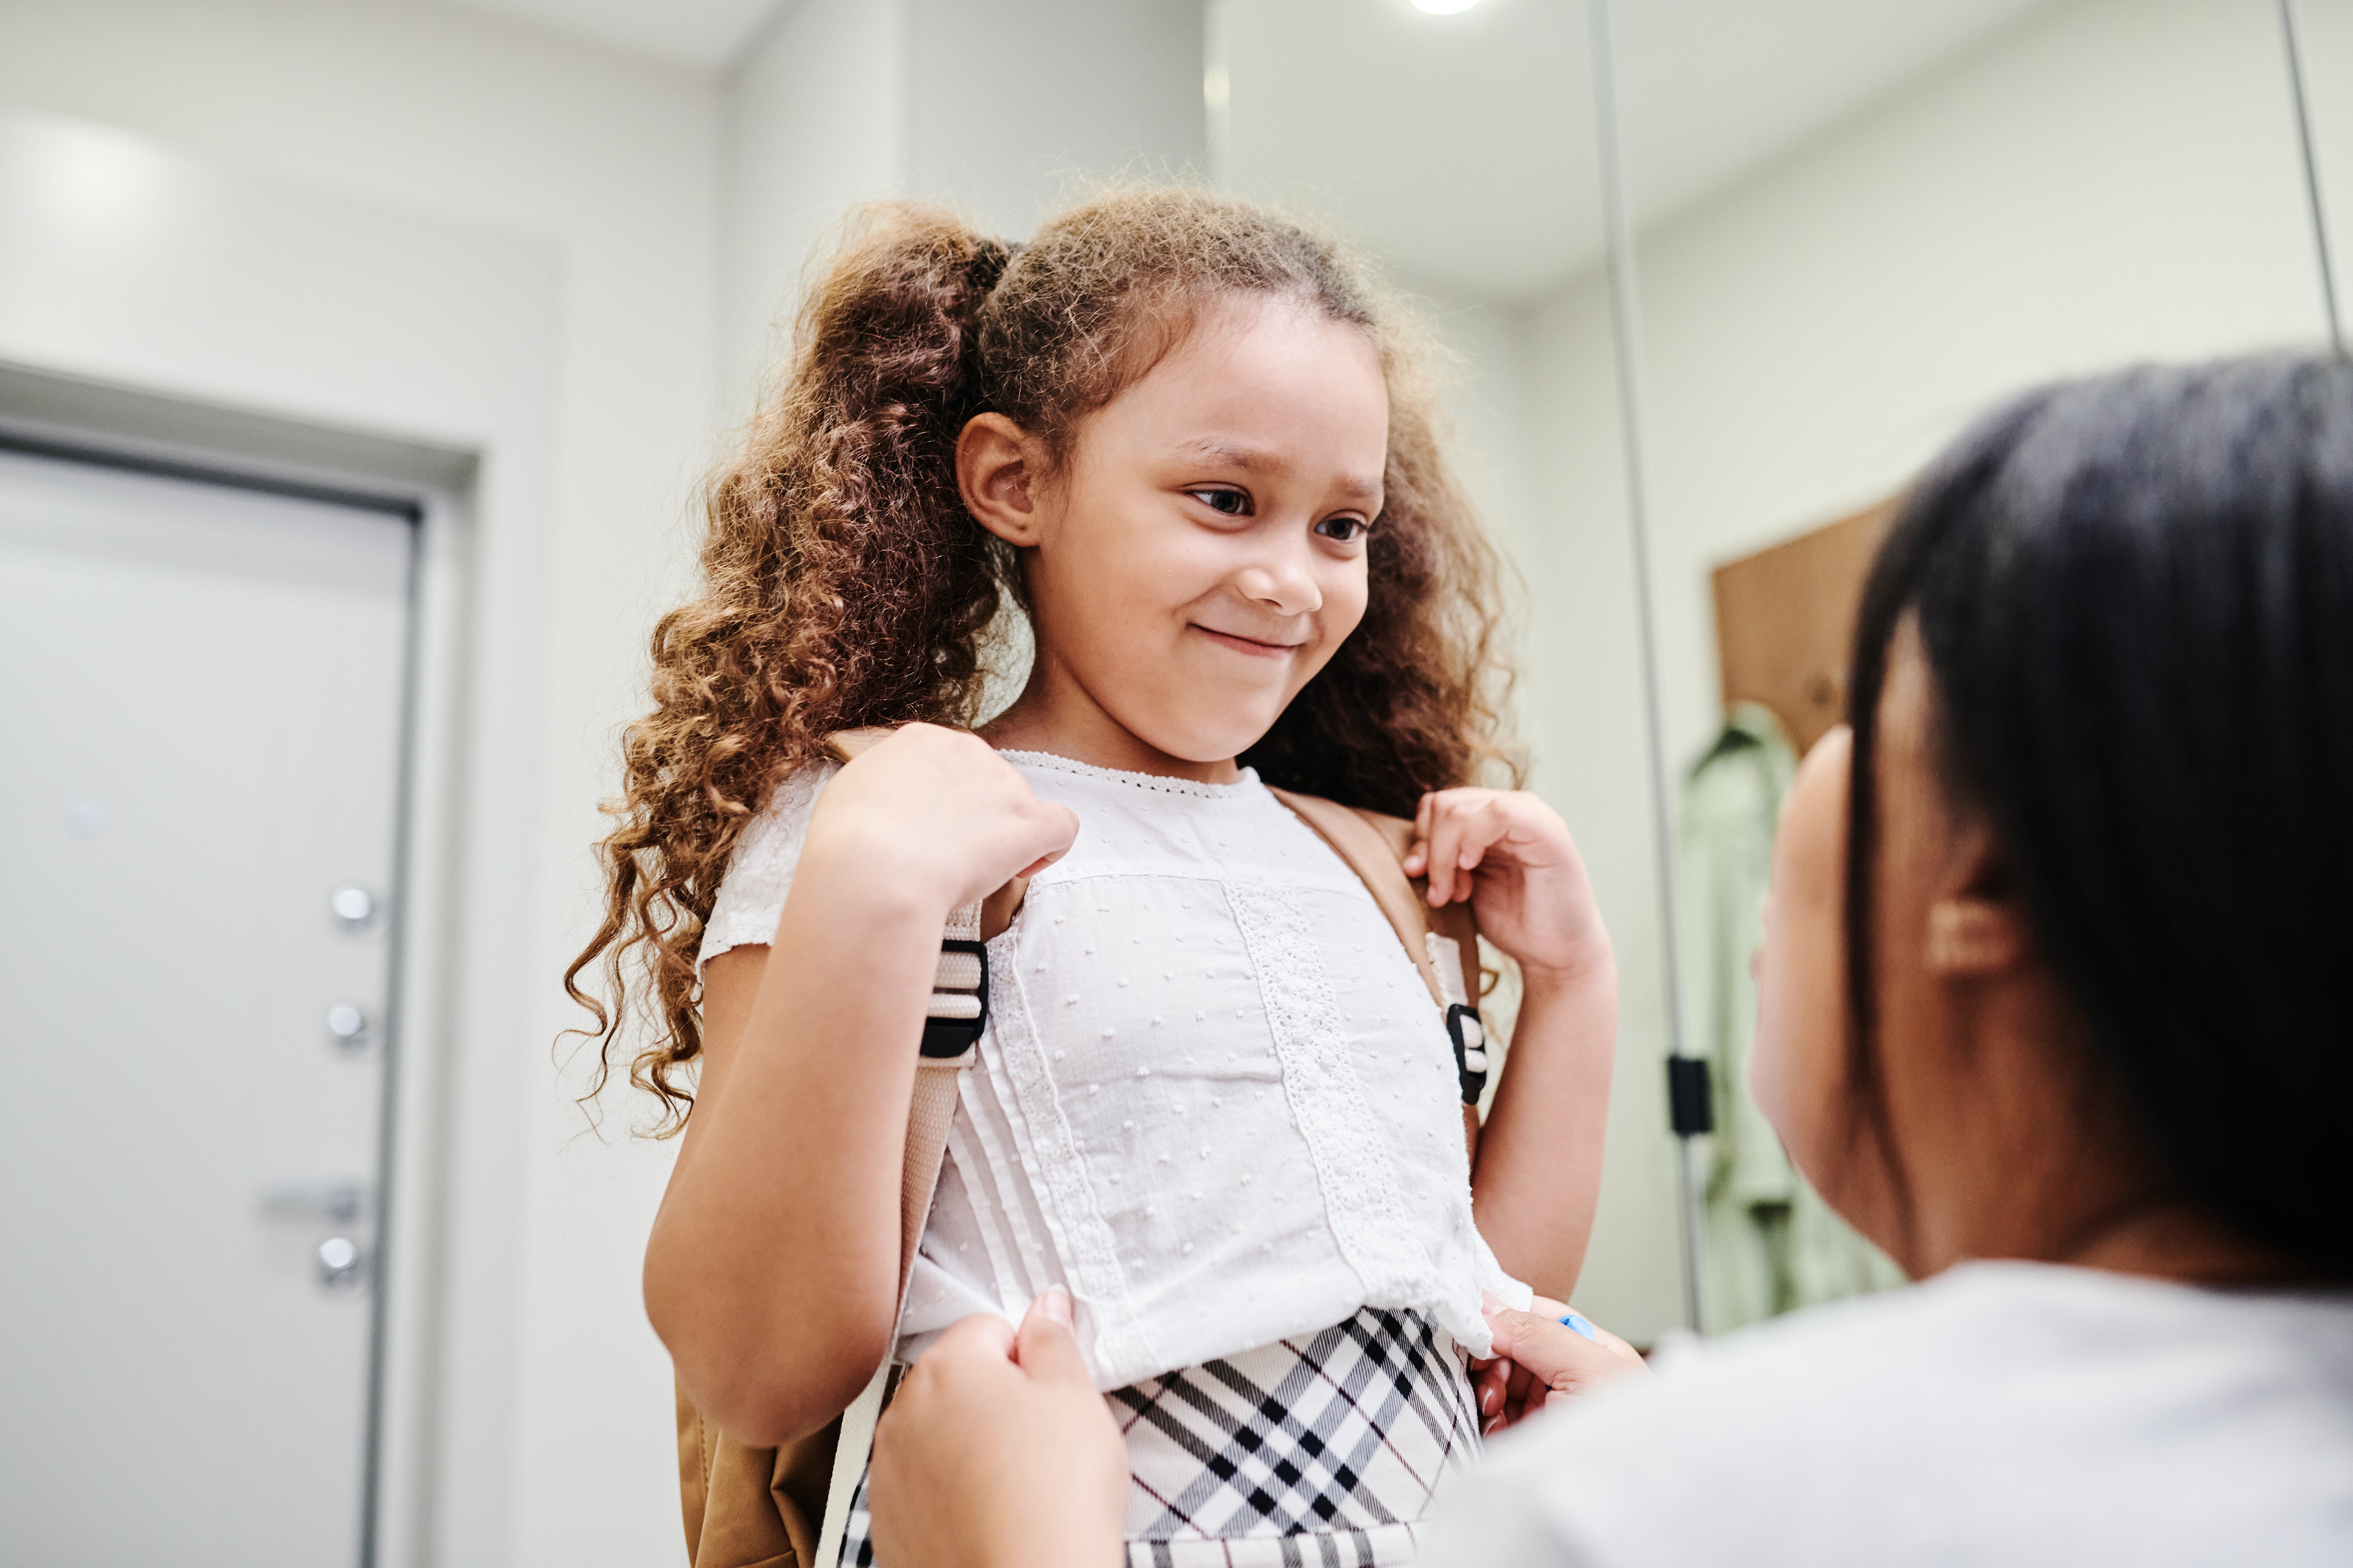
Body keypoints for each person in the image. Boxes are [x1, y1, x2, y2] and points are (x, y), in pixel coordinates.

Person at [866, 353, 2353, 1567]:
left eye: (1875, 710)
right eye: (1224, 498)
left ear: (1988, 882)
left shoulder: (1669, 1508)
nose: (1293, 576)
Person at [568, 189, 1620, 1564]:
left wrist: (1573, 985)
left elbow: (1476, 1292)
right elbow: (753, 1365)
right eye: (1226, 499)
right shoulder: (893, 820)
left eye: (1340, 526)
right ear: (1016, 481)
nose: (1295, 582)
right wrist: (870, 892)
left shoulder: (1361, 857)